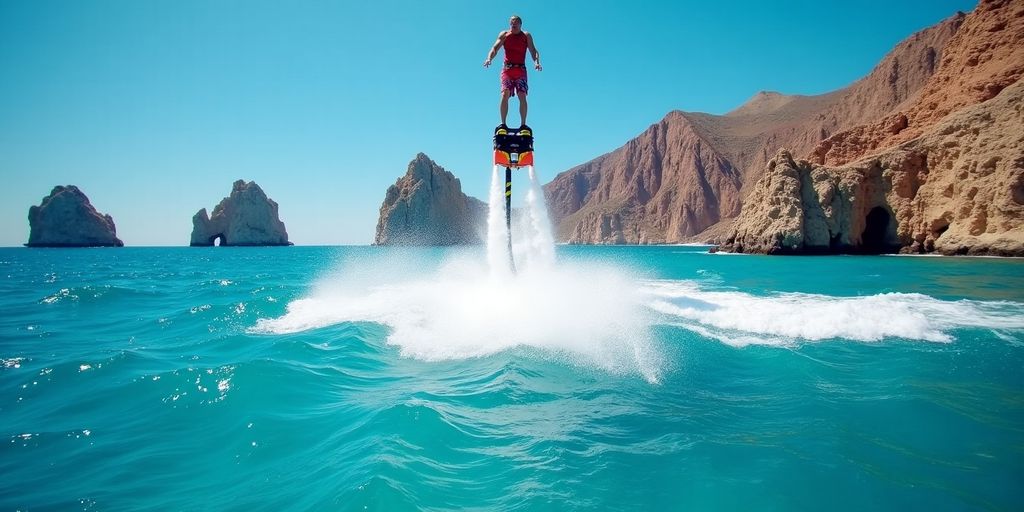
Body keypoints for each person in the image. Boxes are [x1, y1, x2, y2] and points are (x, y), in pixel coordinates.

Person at [484, 15, 541, 134]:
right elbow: (495, 48)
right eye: (511, 23)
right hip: (507, 70)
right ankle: (503, 124)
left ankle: (523, 125)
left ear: (520, 24)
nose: (513, 26)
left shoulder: (526, 36)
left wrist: (536, 62)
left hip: (520, 70)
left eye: (515, 24)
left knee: (522, 95)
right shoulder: (504, 35)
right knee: (505, 94)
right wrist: (489, 58)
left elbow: (533, 51)